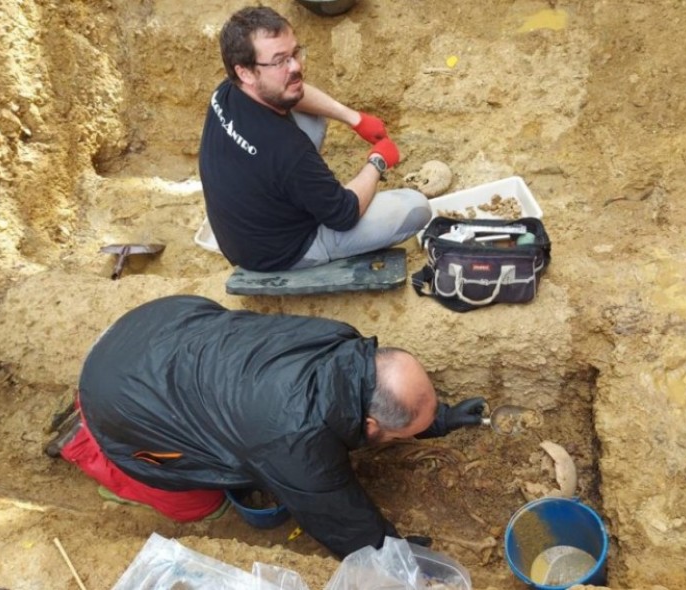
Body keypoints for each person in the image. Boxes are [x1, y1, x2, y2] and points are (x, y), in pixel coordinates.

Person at [45, 295, 485, 558]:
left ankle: (103, 411)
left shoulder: (340, 340)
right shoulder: (296, 442)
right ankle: (85, 440)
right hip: (118, 396)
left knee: (240, 442)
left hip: (158, 327)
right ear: (370, 423)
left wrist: (440, 418)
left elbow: (386, 396)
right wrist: (392, 556)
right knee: (199, 504)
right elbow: (343, 522)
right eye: (396, 434)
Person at [198, 6, 432, 272]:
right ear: (246, 72)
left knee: (307, 110)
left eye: (295, 53)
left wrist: (353, 118)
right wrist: (378, 161)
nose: (296, 66)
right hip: (281, 252)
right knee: (415, 207)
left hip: (243, 225)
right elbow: (345, 213)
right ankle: (315, 238)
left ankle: (304, 193)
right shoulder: (287, 150)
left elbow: (292, 92)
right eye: (279, 61)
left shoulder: (226, 92)